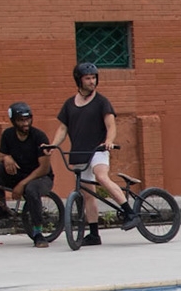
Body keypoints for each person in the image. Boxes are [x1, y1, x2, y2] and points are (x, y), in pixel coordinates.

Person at [52, 61, 131, 245]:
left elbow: (111, 125)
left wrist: (108, 141)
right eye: (87, 78)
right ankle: (94, 234)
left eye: (94, 78)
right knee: (88, 194)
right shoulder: (69, 104)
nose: (92, 81)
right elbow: (62, 129)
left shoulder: (102, 102)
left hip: (98, 150)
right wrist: (52, 145)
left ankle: (129, 212)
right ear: (79, 80)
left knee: (101, 176)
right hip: (80, 153)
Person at [0, 102, 56, 247]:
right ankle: (2, 207)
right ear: (13, 121)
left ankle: (38, 233)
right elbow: (0, 156)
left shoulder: (39, 137)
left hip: (41, 177)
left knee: (31, 189)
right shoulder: (8, 135)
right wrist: (6, 158)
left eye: (27, 119)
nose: (25, 123)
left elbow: (44, 169)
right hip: (19, 174)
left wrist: (21, 185)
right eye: (21, 120)